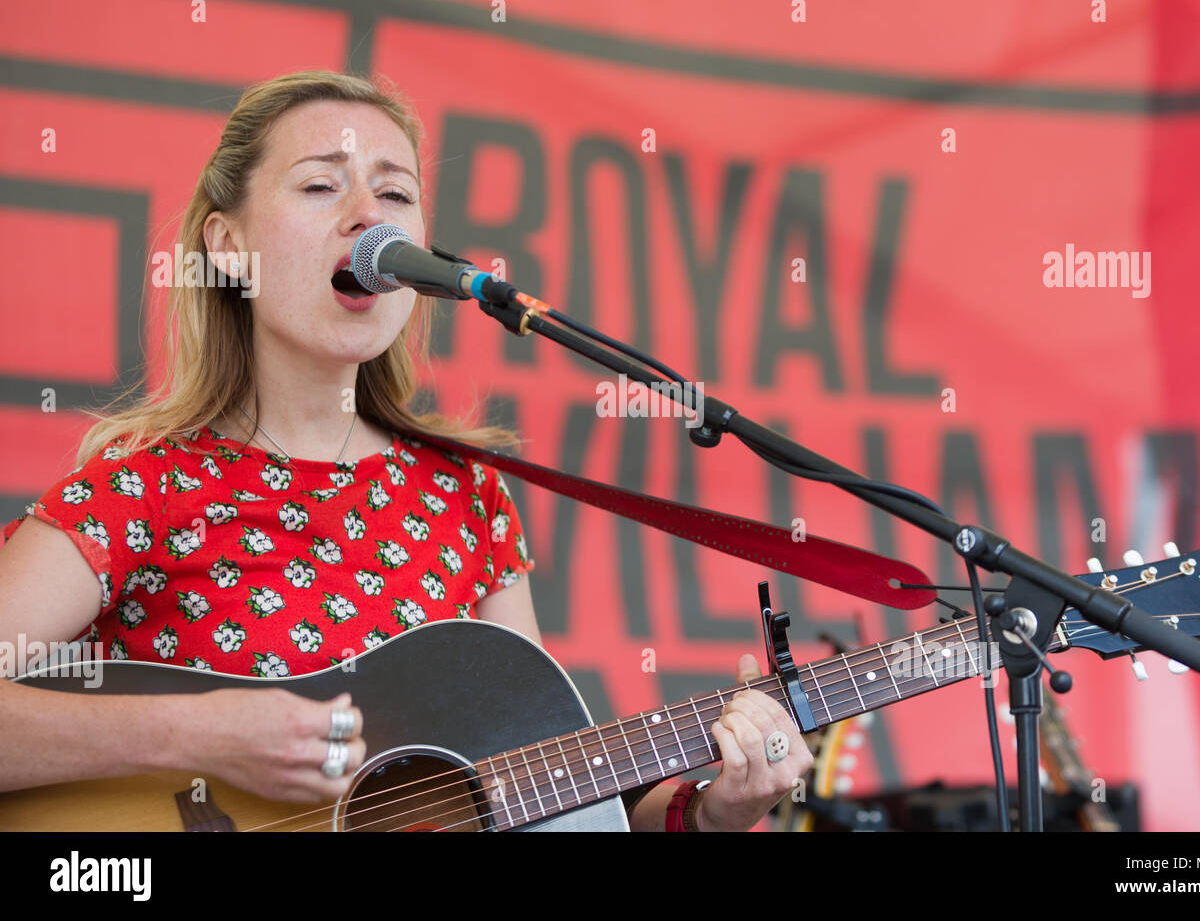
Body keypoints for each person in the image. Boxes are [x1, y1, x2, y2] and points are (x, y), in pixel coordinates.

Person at [0, 69, 812, 832]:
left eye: (395, 193)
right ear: (226, 244)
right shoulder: (143, 490)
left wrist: (705, 811)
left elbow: (535, 782)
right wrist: (197, 735)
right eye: (321, 185)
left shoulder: (467, 496)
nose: (367, 216)